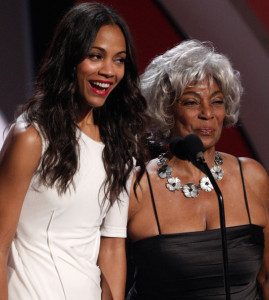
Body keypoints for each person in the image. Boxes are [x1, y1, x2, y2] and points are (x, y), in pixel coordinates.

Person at [0, 2, 148, 300]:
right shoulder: (32, 137)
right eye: (96, 56)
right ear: (69, 58)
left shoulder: (120, 147)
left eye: (118, 60)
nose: (108, 71)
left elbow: (112, 246)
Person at [126, 40, 269, 299]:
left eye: (216, 102)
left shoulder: (252, 177)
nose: (207, 113)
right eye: (192, 102)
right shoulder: (138, 186)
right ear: (166, 108)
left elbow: (267, 277)